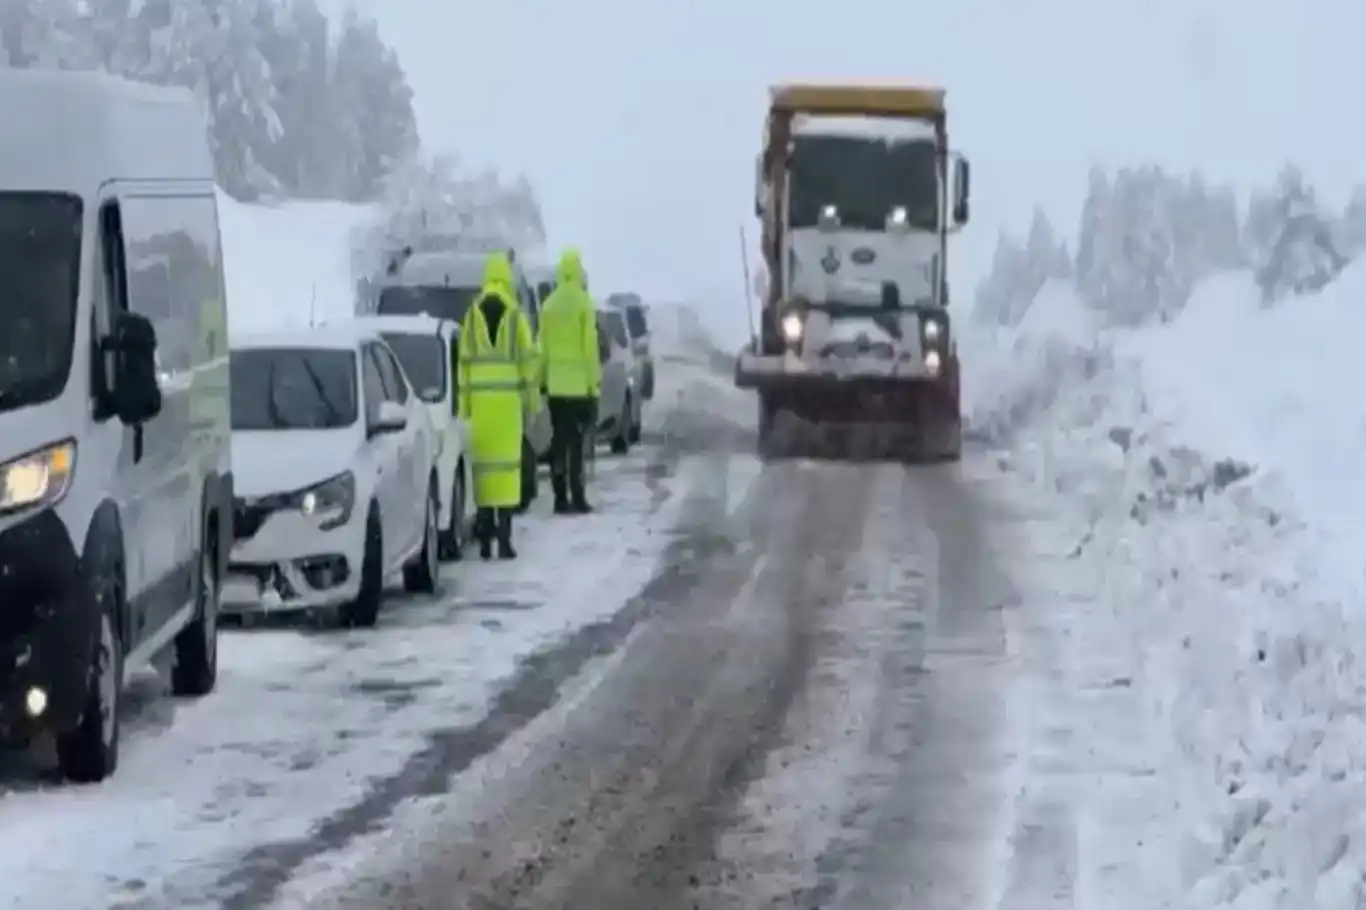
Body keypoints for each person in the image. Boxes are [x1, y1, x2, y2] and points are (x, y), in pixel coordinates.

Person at [456, 252, 541, 559]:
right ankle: (505, 540)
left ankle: (485, 540)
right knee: (507, 472)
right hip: (507, 407)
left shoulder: (471, 314)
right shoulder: (516, 314)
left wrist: (464, 408)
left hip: (480, 407)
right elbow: (528, 362)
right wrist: (533, 402)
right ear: (506, 276)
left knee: (483, 474)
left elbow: (463, 365)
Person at [537, 248, 601, 514]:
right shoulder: (584, 303)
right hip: (579, 390)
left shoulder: (548, 306)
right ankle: (578, 496)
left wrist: (542, 380)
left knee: (558, 443)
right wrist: (593, 384)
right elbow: (589, 349)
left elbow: (542, 348)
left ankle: (559, 497)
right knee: (577, 446)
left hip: (555, 388)